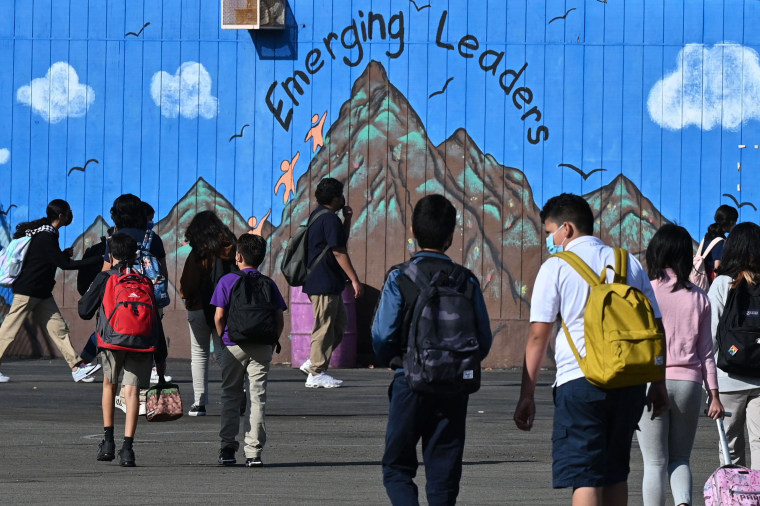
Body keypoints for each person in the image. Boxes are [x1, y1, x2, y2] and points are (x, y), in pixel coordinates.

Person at [513, 193, 668, 506]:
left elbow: (538, 336)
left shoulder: (556, 267)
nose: (548, 240)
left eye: (548, 232)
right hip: (629, 382)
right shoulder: (628, 262)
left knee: (586, 477)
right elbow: (656, 327)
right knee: (615, 475)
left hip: (580, 383)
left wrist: (527, 394)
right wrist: (659, 383)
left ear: (566, 229)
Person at [372, 194, 493, 505]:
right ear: (451, 236)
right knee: (444, 475)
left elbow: (382, 335)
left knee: (397, 467)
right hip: (454, 387)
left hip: (409, 382)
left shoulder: (401, 277)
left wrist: (395, 361)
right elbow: (483, 339)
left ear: (413, 231)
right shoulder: (466, 280)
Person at [637, 224, 724, 506]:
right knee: (680, 458)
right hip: (689, 383)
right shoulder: (699, 297)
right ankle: (684, 503)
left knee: (653, 462)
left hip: (651, 382)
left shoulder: (645, 294)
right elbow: (706, 352)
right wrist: (715, 393)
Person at [78, 232, 168, 467]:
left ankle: (108, 442)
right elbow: (156, 320)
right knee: (131, 392)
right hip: (142, 342)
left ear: (111, 254)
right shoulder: (145, 281)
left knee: (110, 384)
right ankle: (128, 449)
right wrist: (161, 355)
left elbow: (84, 310)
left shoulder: (105, 277)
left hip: (112, 340)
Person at [0, 199, 102, 383]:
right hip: (28, 291)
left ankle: (77, 367)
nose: (70, 215)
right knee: (9, 330)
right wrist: (98, 260)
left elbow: (49, 260)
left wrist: (62, 254)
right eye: (68, 212)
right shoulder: (47, 236)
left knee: (59, 328)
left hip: (41, 291)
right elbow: (65, 265)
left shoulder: (46, 233)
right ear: (61, 215)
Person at [211, 233, 286, 467]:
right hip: (262, 345)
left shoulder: (227, 281)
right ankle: (253, 452)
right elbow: (279, 318)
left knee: (230, 395)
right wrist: (273, 340)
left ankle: (227, 448)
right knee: (257, 397)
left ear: (239, 256)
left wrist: (222, 341)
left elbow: (219, 316)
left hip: (233, 344)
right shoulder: (269, 283)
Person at [299, 177, 363, 388]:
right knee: (324, 326)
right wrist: (354, 279)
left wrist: (347, 219)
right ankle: (316, 372)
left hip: (326, 281)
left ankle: (313, 362)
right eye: (341, 195)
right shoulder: (327, 218)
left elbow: (337, 241)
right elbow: (338, 251)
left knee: (338, 325)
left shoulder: (322, 216)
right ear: (336, 198)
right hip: (323, 280)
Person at [708, 222, 760, 468]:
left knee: (730, 447)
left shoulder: (723, 284)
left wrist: (709, 385)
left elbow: (710, 335)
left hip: (728, 379)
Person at [179, 210, 237, 416]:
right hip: (226, 307)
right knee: (224, 351)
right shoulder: (231, 248)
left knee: (199, 353)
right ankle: (238, 393)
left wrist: (186, 295)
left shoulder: (199, 253)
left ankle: (199, 403)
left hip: (199, 307)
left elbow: (188, 283)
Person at [701, 205, 738, 277]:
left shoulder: (708, 236)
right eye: (735, 222)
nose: (735, 225)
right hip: (710, 281)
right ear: (730, 222)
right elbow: (717, 268)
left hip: (702, 275)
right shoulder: (720, 241)